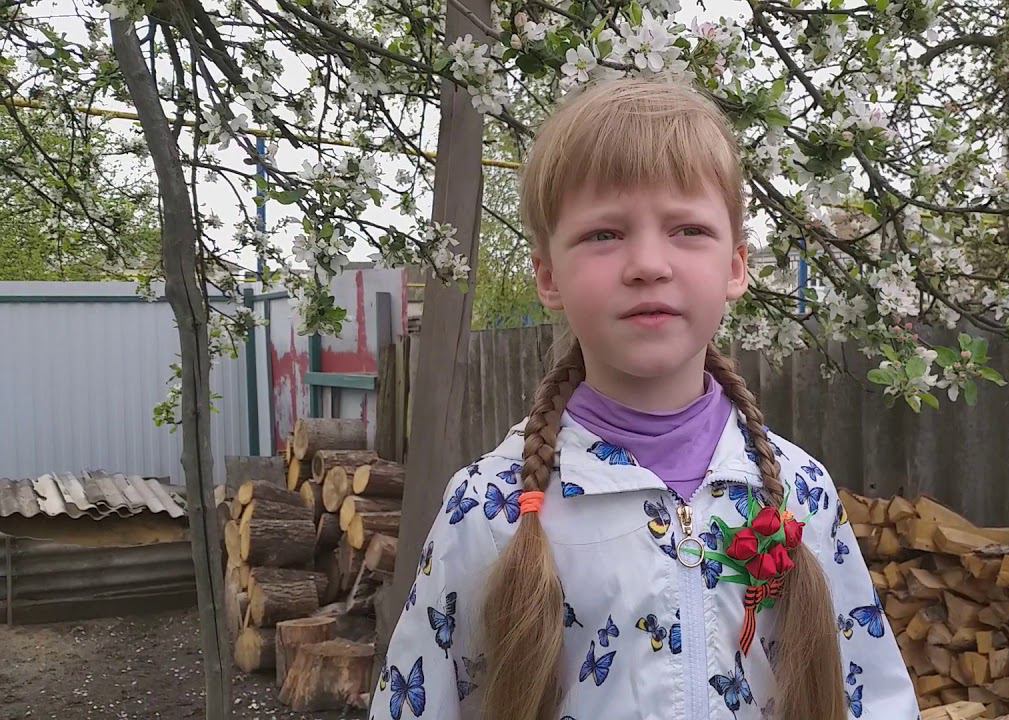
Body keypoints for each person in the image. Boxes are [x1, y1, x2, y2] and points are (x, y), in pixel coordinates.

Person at [369, 78, 919, 720]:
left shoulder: (804, 495)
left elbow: (876, 699)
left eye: (688, 229)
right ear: (548, 276)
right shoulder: (489, 510)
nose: (648, 263)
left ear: (736, 266)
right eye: (604, 234)